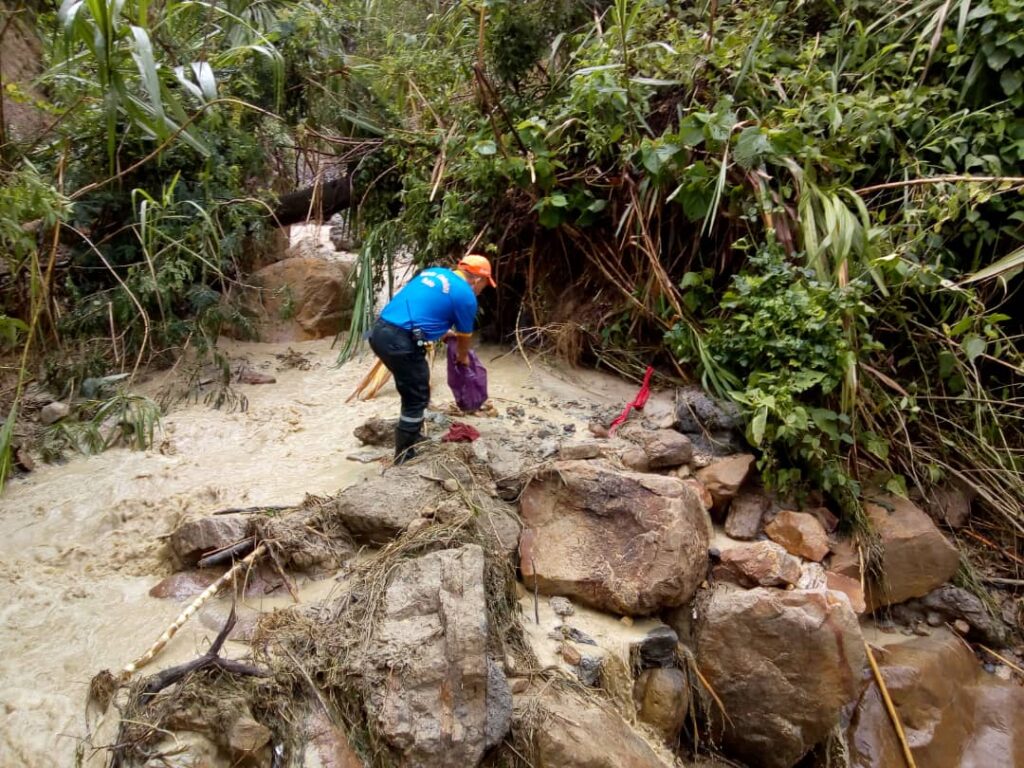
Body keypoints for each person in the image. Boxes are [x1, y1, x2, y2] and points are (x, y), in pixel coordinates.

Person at [369, 254, 496, 463]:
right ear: (478, 279)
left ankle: (413, 435)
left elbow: (421, 306)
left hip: (380, 332)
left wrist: (443, 332)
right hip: (401, 342)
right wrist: (462, 358)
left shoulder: (435, 272)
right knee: (417, 396)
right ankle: (404, 455)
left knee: (414, 387)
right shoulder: (466, 295)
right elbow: (465, 336)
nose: (482, 290)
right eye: (484, 285)